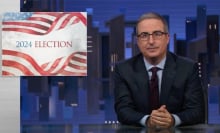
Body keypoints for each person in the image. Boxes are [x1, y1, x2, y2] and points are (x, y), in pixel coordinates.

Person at [113, 12, 205, 128]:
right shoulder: (123, 69)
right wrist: (148, 120)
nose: (151, 41)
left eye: (157, 34)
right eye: (144, 35)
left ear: (167, 38)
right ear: (137, 41)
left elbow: (197, 111)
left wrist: (172, 119)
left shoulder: (188, 68)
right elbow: (123, 110)